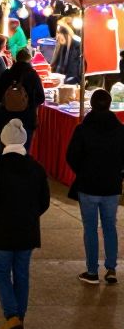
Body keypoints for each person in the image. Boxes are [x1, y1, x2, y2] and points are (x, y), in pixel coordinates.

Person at [0, 118, 50, 329]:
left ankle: (11, 315)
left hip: (2, 230)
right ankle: (20, 314)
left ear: (3, 140)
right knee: (21, 274)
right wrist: (30, 216)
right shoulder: (36, 168)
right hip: (27, 230)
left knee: (0, 272)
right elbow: (44, 200)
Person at [66, 88, 124, 285]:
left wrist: (82, 171)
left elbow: (71, 156)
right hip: (111, 186)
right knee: (110, 227)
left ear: (92, 105)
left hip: (88, 185)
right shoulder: (120, 130)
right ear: (109, 105)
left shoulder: (82, 129)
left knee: (90, 228)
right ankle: (111, 268)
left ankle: (92, 271)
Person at [0, 48, 44, 150]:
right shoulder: (32, 75)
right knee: (23, 149)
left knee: (5, 147)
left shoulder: (6, 74)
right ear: (29, 59)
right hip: (26, 118)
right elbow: (40, 97)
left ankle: (3, 165)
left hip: (6, 116)